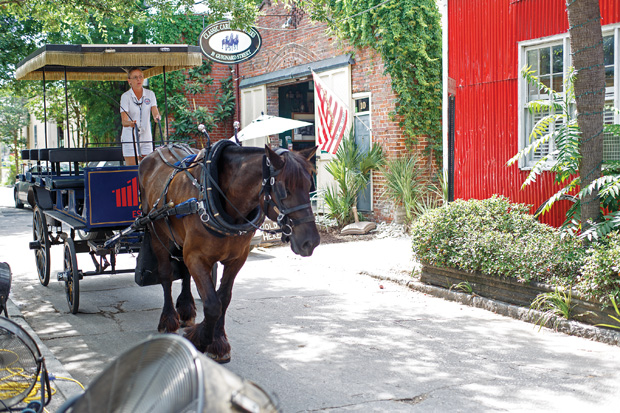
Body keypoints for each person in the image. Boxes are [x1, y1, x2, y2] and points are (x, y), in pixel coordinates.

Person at [120, 67, 161, 165]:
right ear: (129, 81)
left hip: (146, 136)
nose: (138, 79)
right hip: (130, 137)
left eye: (140, 77)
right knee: (132, 171)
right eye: (135, 77)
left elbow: (155, 111)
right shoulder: (125, 96)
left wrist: (157, 117)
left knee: (147, 169)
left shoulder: (150, 94)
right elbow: (124, 121)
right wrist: (130, 123)